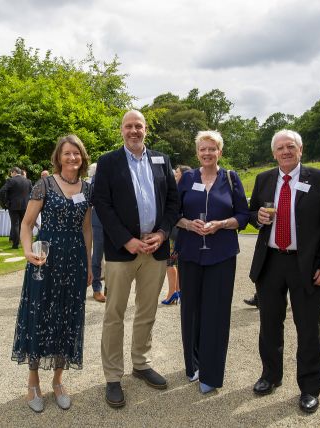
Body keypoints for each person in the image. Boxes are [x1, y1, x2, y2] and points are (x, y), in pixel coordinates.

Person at [248, 129, 320, 414]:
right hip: (271, 262)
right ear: (273, 153)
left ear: (300, 150)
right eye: (280, 148)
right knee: (269, 325)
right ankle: (270, 376)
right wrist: (258, 218)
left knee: (308, 327)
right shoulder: (264, 179)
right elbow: (253, 215)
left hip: (308, 266)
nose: (285, 151)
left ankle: (310, 388)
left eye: (291, 146)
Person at [93, 110, 179, 408]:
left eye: (138, 126)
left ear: (146, 129)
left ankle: (140, 364)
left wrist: (164, 233)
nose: (134, 130)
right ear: (121, 130)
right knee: (114, 314)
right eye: (129, 126)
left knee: (147, 311)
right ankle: (113, 376)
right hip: (121, 251)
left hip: (154, 249)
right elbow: (101, 203)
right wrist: (125, 239)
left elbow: (173, 201)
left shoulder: (161, 159)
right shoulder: (107, 162)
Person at [11, 135, 92, 413]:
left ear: (82, 158)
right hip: (45, 261)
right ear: (58, 157)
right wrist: (26, 252)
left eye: (77, 154)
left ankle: (58, 380)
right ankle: (33, 381)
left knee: (68, 317)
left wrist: (90, 265)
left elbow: (86, 229)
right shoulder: (44, 184)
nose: (72, 158)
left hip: (75, 261)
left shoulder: (88, 188)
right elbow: (27, 223)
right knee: (40, 314)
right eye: (67, 154)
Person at [175, 131, 249, 394]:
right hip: (190, 254)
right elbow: (173, 213)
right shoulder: (187, 179)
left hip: (221, 255)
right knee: (191, 311)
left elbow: (243, 215)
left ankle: (211, 373)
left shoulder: (231, 178)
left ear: (220, 151)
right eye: (202, 149)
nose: (207, 153)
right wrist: (187, 224)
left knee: (216, 314)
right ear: (197, 153)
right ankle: (193, 365)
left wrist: (222, 224)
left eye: (212, 149)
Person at [162, 165, 191, 305]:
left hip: (175, 231)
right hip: (182, 232)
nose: (174, 175)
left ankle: (172, 293)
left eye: (177, 173)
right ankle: (178, 290)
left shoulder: (177, 190)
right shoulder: (189, 189)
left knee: (170, 262)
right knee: (177, 263)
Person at [0, 166, 32, 248]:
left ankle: (15, 244)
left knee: (15, 225)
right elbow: (32, 193)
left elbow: (2, 191)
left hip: (13, 205)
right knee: (24, 225)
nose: (10, 175)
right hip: (25, 206)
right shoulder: (28, 181)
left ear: (14, 172)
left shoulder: (11, 180)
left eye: (11, 173)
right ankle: (25, 243)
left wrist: (6, 202)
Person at [88, 163, 106, 303]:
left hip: (113, 224)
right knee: (97, 256)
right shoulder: (93, 182)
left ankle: (109, 288)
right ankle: (96, 289)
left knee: (113, 258)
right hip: (98, 222)